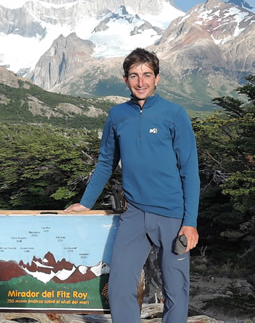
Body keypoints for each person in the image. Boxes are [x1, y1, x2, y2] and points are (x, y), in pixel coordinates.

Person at [65, 48, 200, 323]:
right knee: (118, 288)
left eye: (147, 75)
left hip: (172, 217)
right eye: (134, 76)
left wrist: (190, 222)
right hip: (134, 214)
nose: (141, 82)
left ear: (157, 78)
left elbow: (190, 171)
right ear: (125, 80)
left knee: (176, 290)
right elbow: (106, 163)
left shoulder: (175, 115)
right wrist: (86, 202)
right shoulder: (117, 115)